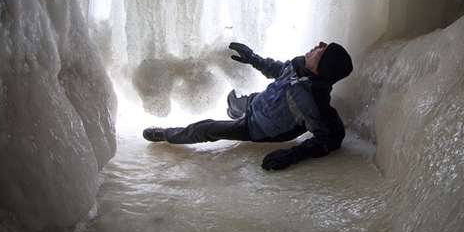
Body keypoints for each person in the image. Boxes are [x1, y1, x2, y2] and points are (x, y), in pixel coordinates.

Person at [143, 41, 353, 171]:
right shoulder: (298, 67)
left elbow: (330, 137)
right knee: (233, 98)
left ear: (319, 67)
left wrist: (292, 155)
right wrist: (254, 59)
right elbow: (278, 69)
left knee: (207, 129)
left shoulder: (313, 102)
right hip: (260, 102)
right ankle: (235, 110)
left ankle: (166, 134)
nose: (320, 44)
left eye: (323, 50)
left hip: (258, 128)